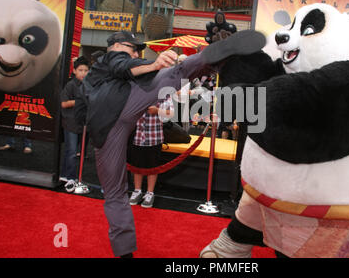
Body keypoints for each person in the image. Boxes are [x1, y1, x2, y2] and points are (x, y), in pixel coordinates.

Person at [75, 30, 265, 258]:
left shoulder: (95, 78)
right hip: (124, 109)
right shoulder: (112, 57)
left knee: (115, 194)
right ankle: (212, 56)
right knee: (177, 71)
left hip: (111, 127)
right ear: (115, 45)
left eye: (138, 49)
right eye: (132, 47)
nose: (136, 52)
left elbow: (82, 111)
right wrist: (153, 65)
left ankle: (124, 253)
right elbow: (122, 64)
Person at [128, 96, 174, 208]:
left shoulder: (165, 95)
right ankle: (137, 190)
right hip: (137, 135)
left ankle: (150, 193)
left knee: (153, 167)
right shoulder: (137, 91)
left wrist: (157, 110)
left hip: (155, 137)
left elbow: (171, 114)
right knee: (136, 165)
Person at [59, 56, 90, 193]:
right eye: (80, 70)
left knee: (76, 152)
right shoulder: (70, 85)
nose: (83, 73)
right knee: (71, 152)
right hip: (70, 122)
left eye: (86, 70)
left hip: (83, 123)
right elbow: (64, 104)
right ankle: (70, 177)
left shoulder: (89, 85)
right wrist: (80, 102)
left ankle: (65, 175)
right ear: (74, 71)